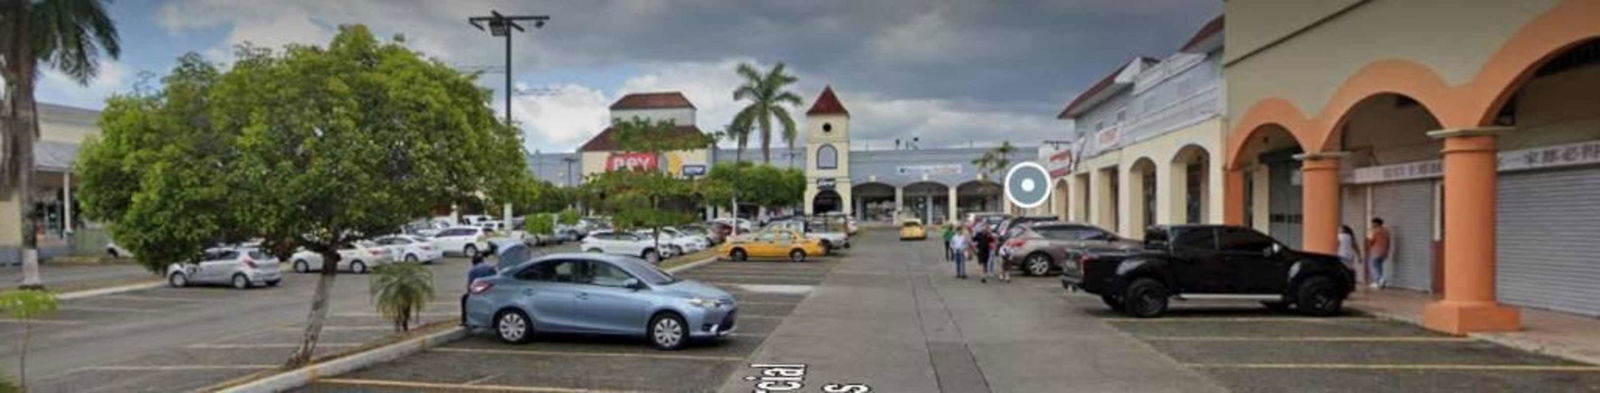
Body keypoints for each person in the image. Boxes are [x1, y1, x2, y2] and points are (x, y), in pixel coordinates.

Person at [462, 252, 496, 326]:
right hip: (491, 291)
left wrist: (470, 293)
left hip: (479, 292)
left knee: (464, 299)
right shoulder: (490, 267)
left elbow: (470, 285)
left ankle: (465, 320)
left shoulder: (473, 270)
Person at [1365, 217, 1392, 289]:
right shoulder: (1386, 231)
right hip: (1384, 251)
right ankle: (1379, 282)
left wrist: (1367, 246)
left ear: (1376, 223)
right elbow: (1389, 242)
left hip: (1375, 251)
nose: (1372, 225)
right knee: (1379, 267)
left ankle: (1379, 279)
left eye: (1373, 223)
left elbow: (1370, 241)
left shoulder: (1374, 231)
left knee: (1372, 266)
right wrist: (1387, 251)